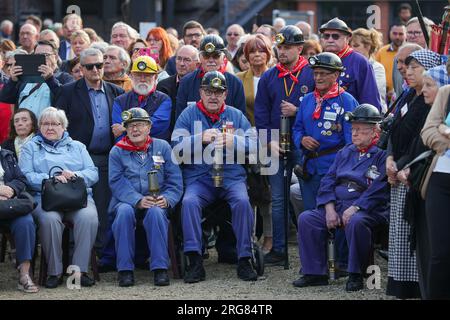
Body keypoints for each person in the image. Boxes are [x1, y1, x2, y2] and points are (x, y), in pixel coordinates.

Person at [172, 71, 258, 282]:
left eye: (218, 92)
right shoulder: (188, 114)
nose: (213, 96)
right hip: (199, 177)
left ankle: (245, 258)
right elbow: (175, 149)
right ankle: (194, 258)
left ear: (225, 94)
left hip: (230, 175)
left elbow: (255, 145)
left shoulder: (236, 115)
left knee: (242, 201)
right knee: (189, 202)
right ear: (201, 92)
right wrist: (198, 138)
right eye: (209, 91)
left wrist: (234, 142)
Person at [294, 104, 388, 291]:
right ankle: (315, 273)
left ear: (374, 132)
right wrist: (329, 208)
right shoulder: (346, 151)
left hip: (367, 207)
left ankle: (356, 274)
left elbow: (378, 189)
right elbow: (328, 180)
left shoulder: (382, 155)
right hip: (338, 202)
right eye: (353, 129)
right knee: (307, 219)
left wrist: (356, 208)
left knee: (356, 222)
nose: (355, 134)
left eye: (360, 130)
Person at [53, 47, 124, 256]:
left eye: (99, 65)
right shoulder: (67, 91)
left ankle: (101, 256)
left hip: (107, 158)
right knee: (78, 206)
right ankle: (76, 256)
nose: (95, 70)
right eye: (90, 66)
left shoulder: (116, 92)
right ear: (81, 69)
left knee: (103, 207)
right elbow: (58, 127)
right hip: (77, 161)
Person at [19, 107, 99, 289]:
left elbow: (93, 173)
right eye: (45, 123)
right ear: (39, 127)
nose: (50, 127)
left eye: (55, 124)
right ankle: (54, 272)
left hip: (78, 199)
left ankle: (79, 271)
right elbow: (25, 176)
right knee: (49, 220)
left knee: (89, 217)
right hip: (45, 199)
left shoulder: (78, 146)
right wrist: (50, 180)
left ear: (63, 127)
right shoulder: (31, 147)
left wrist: (74, 175)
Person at [254, 25, 314, 265]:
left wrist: (297, 110)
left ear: (300, 48)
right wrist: (268, 141)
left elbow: (319, 108)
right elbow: (260, 113)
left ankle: (313, 250)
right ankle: (279, 251)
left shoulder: (311, 73)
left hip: (302, 145)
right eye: (279, 47)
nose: (282, 52)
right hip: (275, 146)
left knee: (309, 195)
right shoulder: (270, 76)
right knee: (277, 199)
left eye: (287, 47)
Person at [386, 49, 443, 299]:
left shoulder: (430, 104)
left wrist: (402, 165)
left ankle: (419, 287)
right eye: (406, 67)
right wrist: (389, 159)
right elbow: (394, 130)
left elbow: (423, 142)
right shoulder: (408, 97)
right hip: (399, 171)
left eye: (414, 68)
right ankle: (402, 286)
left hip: (416, 174)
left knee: (423, 236)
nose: (407, 72)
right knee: (400, 233)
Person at [109, 108, 183, 287]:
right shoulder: (117, 151)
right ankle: (125, 270)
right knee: (124, 213)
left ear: (149, 127)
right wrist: (137, 200)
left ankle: (160, 269)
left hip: (157, 199)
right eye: (130, 126)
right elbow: (117, 181)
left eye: (139, 125)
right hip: (126, 201)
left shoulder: (163, 147)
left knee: (156, 213)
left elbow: (175, 180)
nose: (135, 129)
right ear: (126, 129)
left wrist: (168, 198)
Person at [292, 52, 357, 211]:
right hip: (309, 168)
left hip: (333, 169)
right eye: (315, 73)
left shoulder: (347, 101)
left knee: (333, 216)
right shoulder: (307, 99)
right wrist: (301, 139)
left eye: (323, 73)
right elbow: (297, 128)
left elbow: (353, 141)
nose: (318, 77)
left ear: (335, 75)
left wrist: (343, 170)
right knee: (311, 213)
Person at [236, 34, 273, 253]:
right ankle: (248, 237)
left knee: (267, 193)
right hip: (245, 139)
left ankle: (269, 237)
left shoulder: (277, 77)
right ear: (246, 55)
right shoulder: (239, 78)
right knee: (249, 190)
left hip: (271, 139)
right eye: (252, 51)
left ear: (268, 53)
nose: (257, 54)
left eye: (261, 50)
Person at [421, 68, 450, 299]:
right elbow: (428, 132)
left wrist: (446, 130)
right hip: (440, 181)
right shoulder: (446, 93)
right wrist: (443, 135)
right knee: (440, 252)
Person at [175, 34, 246, 119]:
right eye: (206, 56)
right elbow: (180, 119)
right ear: (199, 57)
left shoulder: (235, 83)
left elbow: (241, 119)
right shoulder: (186, 82)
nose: (211, 60)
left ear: (223, 57)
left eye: (216, 56)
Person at [319, 17, 382, 110]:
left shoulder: (360, 62)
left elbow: (370, 102)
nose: (330, 40)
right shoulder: (317, 60)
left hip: (349, 120)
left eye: (335, 36)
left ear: (347, 39)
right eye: (326, 36)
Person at [0, 40, 74, 118]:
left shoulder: (64, 77)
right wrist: (13, 81)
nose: (41, 58)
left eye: (45, 55)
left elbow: (67, 99)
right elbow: (5, 98)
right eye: (37, 55)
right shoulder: (24, 76)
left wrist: (50, 79)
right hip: (24, 128)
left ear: (55, 57)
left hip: (48, 127)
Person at [0, 146, 38, 293]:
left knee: (26, 221)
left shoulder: (6, 155)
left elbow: (21, 180)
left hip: (9, 204)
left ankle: (24, 274)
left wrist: (10, 190)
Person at [112, 55, 172, 141]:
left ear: (155, 77)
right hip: (127, 151)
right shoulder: (120, 101)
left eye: (147, 75)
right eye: (138, 75)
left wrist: (125, 128)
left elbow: (158, 126)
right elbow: (118, 134)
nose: (142, 79)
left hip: (155, 149)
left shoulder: (164, 99)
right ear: (131, 76)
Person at [157, 45, 200, 132]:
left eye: (187, 60)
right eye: (179, 59)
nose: (181, 64)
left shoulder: (202, 86)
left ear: (197, 64)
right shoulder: (163, 85)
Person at [350, 28, 387, 112]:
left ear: (368, 46)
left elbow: (371, 91)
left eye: (356, 46)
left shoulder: (377, 67)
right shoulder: (351, 65)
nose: (352, 49)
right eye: (350, 46)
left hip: (374, 114)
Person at [375, 24, 406, 102]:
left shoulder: (409, 52)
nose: (397, 37)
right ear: (390, 33)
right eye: (395, 33)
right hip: (384, 97)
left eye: (401, 34)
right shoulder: (381, 51)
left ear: (406, 35)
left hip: (403, 95)